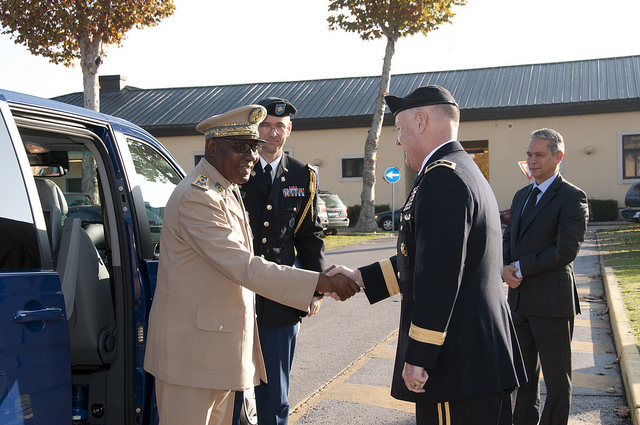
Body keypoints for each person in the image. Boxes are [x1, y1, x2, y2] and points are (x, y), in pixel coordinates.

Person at [143, 104, 360, 425]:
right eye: (240, 148)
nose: (251, 157)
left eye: (254, 148)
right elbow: (243, 265)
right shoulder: (198, 195)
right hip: (192, 356)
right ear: (212, 147)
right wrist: (319, 283)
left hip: (216, 351)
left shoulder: (224, 189)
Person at [328, 85, 526, 424]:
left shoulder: (444, 180)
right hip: (475, 359)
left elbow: (440, 276)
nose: (397, 140)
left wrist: (419, 356)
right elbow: (425, 257)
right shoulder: (460, 170)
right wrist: (361, 278)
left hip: (456, 364)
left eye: (399, 128)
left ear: (421, 121)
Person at [231, 97, 324, 425]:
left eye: (279, 127)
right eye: (266, 126)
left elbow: (309, 237)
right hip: (235, 292)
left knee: (275, 392)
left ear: (289, 131)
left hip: (280, 300)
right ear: (256, 130)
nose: (272, 133)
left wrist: (314, 289)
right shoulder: (235, 168)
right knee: (230, 388)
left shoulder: (303, 175)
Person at [502, 128, 589, 425]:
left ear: (558, 157)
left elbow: (565, 250)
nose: (532, 160)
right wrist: (504, 268)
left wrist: (521, 269)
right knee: (523, 378)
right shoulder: (522, 194)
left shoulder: (572, 197)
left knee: (556, 380)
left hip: (552, 303)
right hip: (519, 302)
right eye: (529, 154)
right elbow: (507, 238)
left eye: (539, 155)